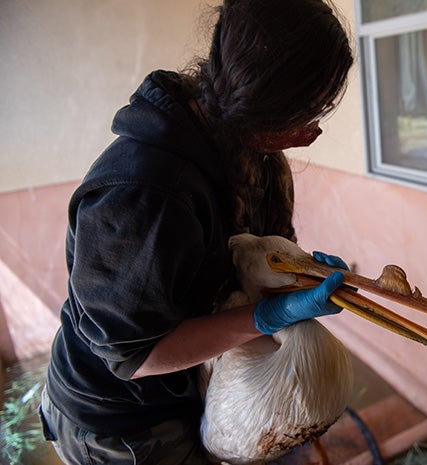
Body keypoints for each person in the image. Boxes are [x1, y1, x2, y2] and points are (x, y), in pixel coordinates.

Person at [39, 1, 354, 464]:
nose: (315, 130)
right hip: (123, 422)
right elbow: (134, 358)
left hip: (184, 387)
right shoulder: (144, 194)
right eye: (308, 110)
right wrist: (269, 316)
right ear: (264, 103)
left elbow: (243, 261)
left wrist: (292, 277)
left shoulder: (253, 154)